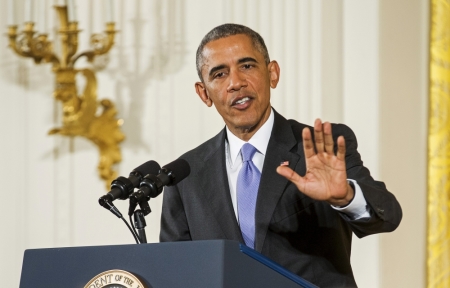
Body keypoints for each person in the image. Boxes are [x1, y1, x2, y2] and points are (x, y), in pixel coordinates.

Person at [160, 23, 402, 287]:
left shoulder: (321, 147)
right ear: (204, 92)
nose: (236, 82)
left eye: (247, 66)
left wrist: (346, 196)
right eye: (219, 74)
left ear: (272, 73)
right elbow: (176, 269)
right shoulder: (185, 174)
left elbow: (388, 215)